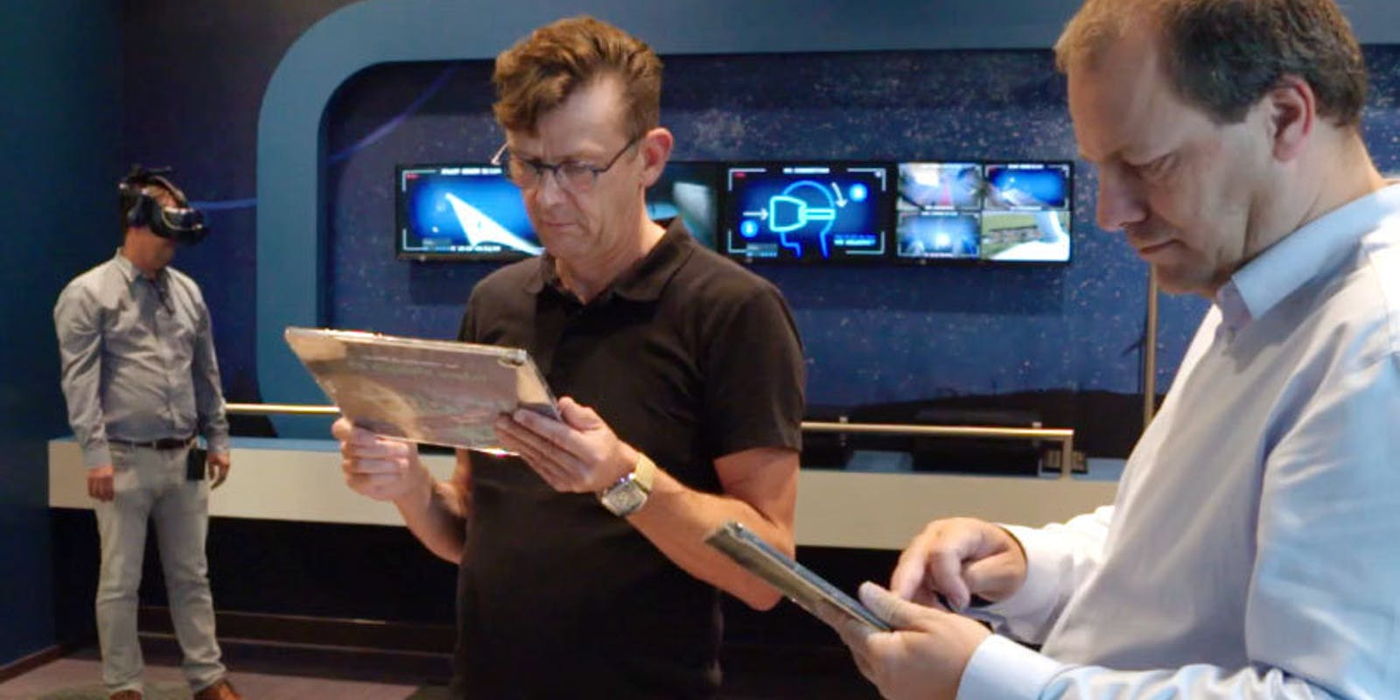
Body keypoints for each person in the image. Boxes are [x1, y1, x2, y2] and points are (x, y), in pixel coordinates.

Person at [822, 0, 1400, 697]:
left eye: (1148, 164)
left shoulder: (1376, 341)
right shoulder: (1264, 294)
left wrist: (993, 685)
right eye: (1102, 167)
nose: (1110, 213)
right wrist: (1030, 567)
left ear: (1283, 117)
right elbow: (1180, 556)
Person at [333, 16, 805, 698]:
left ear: (649, 158)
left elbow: (767, 576)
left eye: (580, 168)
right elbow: (469, 530)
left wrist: (623, 479)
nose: (547, 198)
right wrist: (406, 485)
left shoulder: (735, 311)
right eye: (528, 164)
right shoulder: (496, 302)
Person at [54, 167, 240, 700]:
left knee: (192, 576)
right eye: (166, 224)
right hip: (122, 459)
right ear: (137, 220)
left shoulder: (188, 293)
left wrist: (218, 438)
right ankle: (124, 686)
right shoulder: (87, 294)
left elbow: (205, 372)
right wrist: (95, 456)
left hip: (184, 458)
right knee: (120, 581)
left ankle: (207, 677)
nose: (173, 242)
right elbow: (80, 382)